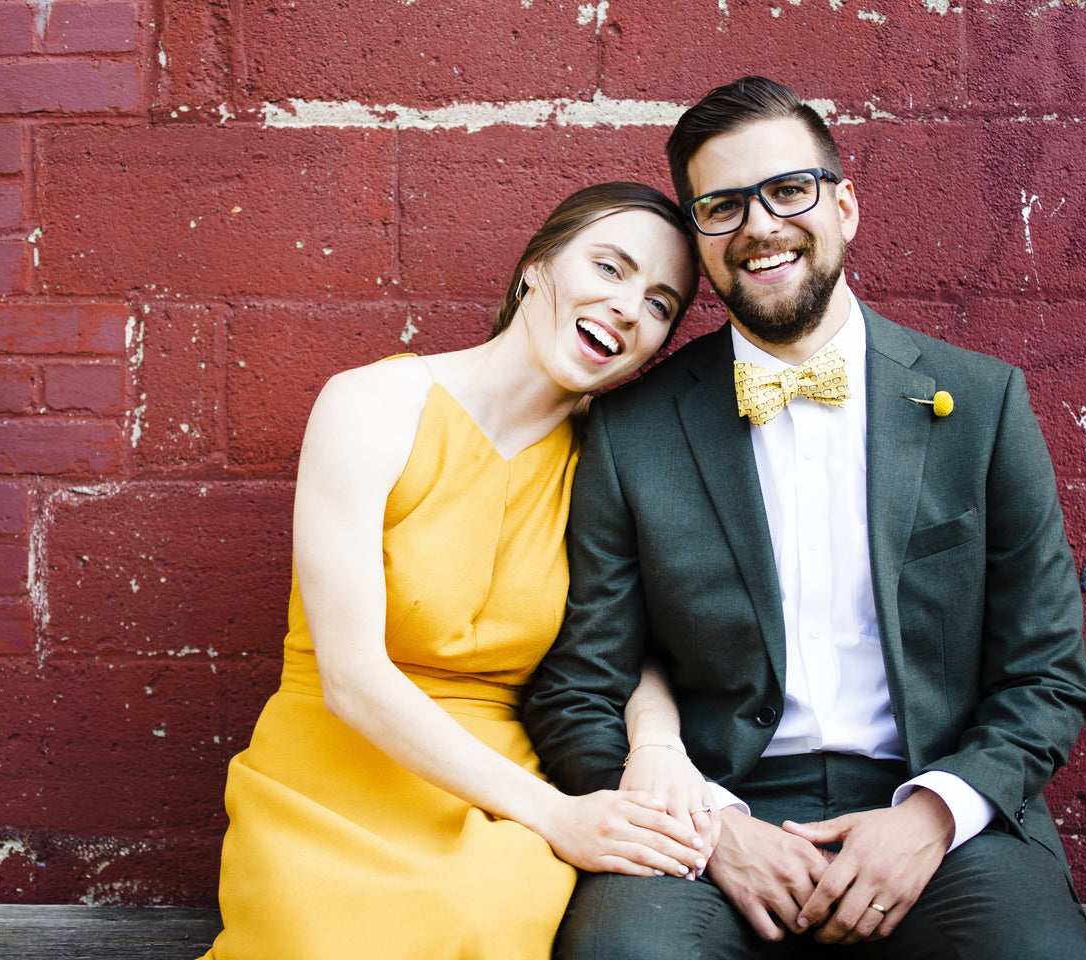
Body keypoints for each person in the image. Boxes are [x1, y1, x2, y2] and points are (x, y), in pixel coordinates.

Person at [524, 76, 1086, 958]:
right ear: (701, 240)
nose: (759, 226)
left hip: (939, 813)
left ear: (846, 205)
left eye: (788, 190)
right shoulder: (631, 430)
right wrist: (710, 828)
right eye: (721, 206)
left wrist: (935, 816)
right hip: (711, 817)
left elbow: (1047, 673)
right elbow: (578, 689)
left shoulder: (983, 404)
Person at [200, 182, 716, 960]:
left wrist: (658, 746)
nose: (626, 307)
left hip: (495, 786)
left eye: (658, 305)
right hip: (332, 764)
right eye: (610, 268)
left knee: (486, 916)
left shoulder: (610, 461)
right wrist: (557, 817)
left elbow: (626, 645)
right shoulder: (370, 406)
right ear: (539, 265)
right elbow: (349, 677)